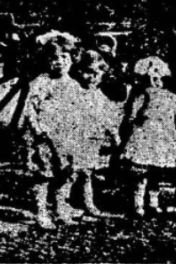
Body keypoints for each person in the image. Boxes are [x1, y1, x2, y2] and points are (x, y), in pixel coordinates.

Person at [23, 32, 120, 229]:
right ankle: (41, 212)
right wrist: (38, 130)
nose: (59, 62)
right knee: (44, 176)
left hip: (67, 139)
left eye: (64, 57)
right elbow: (30, 110)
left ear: (71, 59)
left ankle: (60, 209)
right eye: (53, 58)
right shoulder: (41, 82)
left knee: (65, 175)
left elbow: (82, 111)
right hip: (46, 138)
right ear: (47, 61)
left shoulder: (74, 85)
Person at [121, 56, 176, 217]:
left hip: (164, 137)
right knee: (141, 172)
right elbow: (131, 115)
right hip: (145, 135)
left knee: (157, 172)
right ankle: (138, 205)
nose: (154, 82)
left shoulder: (172, 98)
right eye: (150, 79)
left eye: (158, 78)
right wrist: (133, 128)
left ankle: (153, 203)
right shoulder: (143, 96)